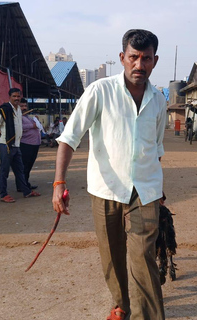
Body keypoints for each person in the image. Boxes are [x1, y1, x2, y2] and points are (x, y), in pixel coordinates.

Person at [52, 29, 166, 320]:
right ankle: (121, 304)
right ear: (122, 58)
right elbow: (69, 138)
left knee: (142, 257)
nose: (139, 65)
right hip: (105, 189)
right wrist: (58, 183)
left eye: (146, 59)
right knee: (112, 257)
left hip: (145, 190)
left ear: (155, 61)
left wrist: (159, 189)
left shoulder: (159, 100)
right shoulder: (99, 91)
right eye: (133, 57)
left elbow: (156, 147)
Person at [0, 88, 41, 203]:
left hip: (16, 145)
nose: (16, 98)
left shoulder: (18, 109)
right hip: (6, 144)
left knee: (20, 170)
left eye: (18, 96)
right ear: (9, 97)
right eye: (14, 96)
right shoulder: (4, 110)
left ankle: (26, 191)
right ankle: (3, 194)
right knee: (4, 171)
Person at [16, 98, 40, 191]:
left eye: (25, 106)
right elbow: (18, 128)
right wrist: (32, 126)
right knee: (24, 166)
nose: (24, 108)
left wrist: (36, 122)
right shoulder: (17, 118)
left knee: (29, 165)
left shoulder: (27, 117)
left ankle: (25, 183)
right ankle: (21, 186)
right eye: (22, 106)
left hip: (34, 144)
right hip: (26, 144)